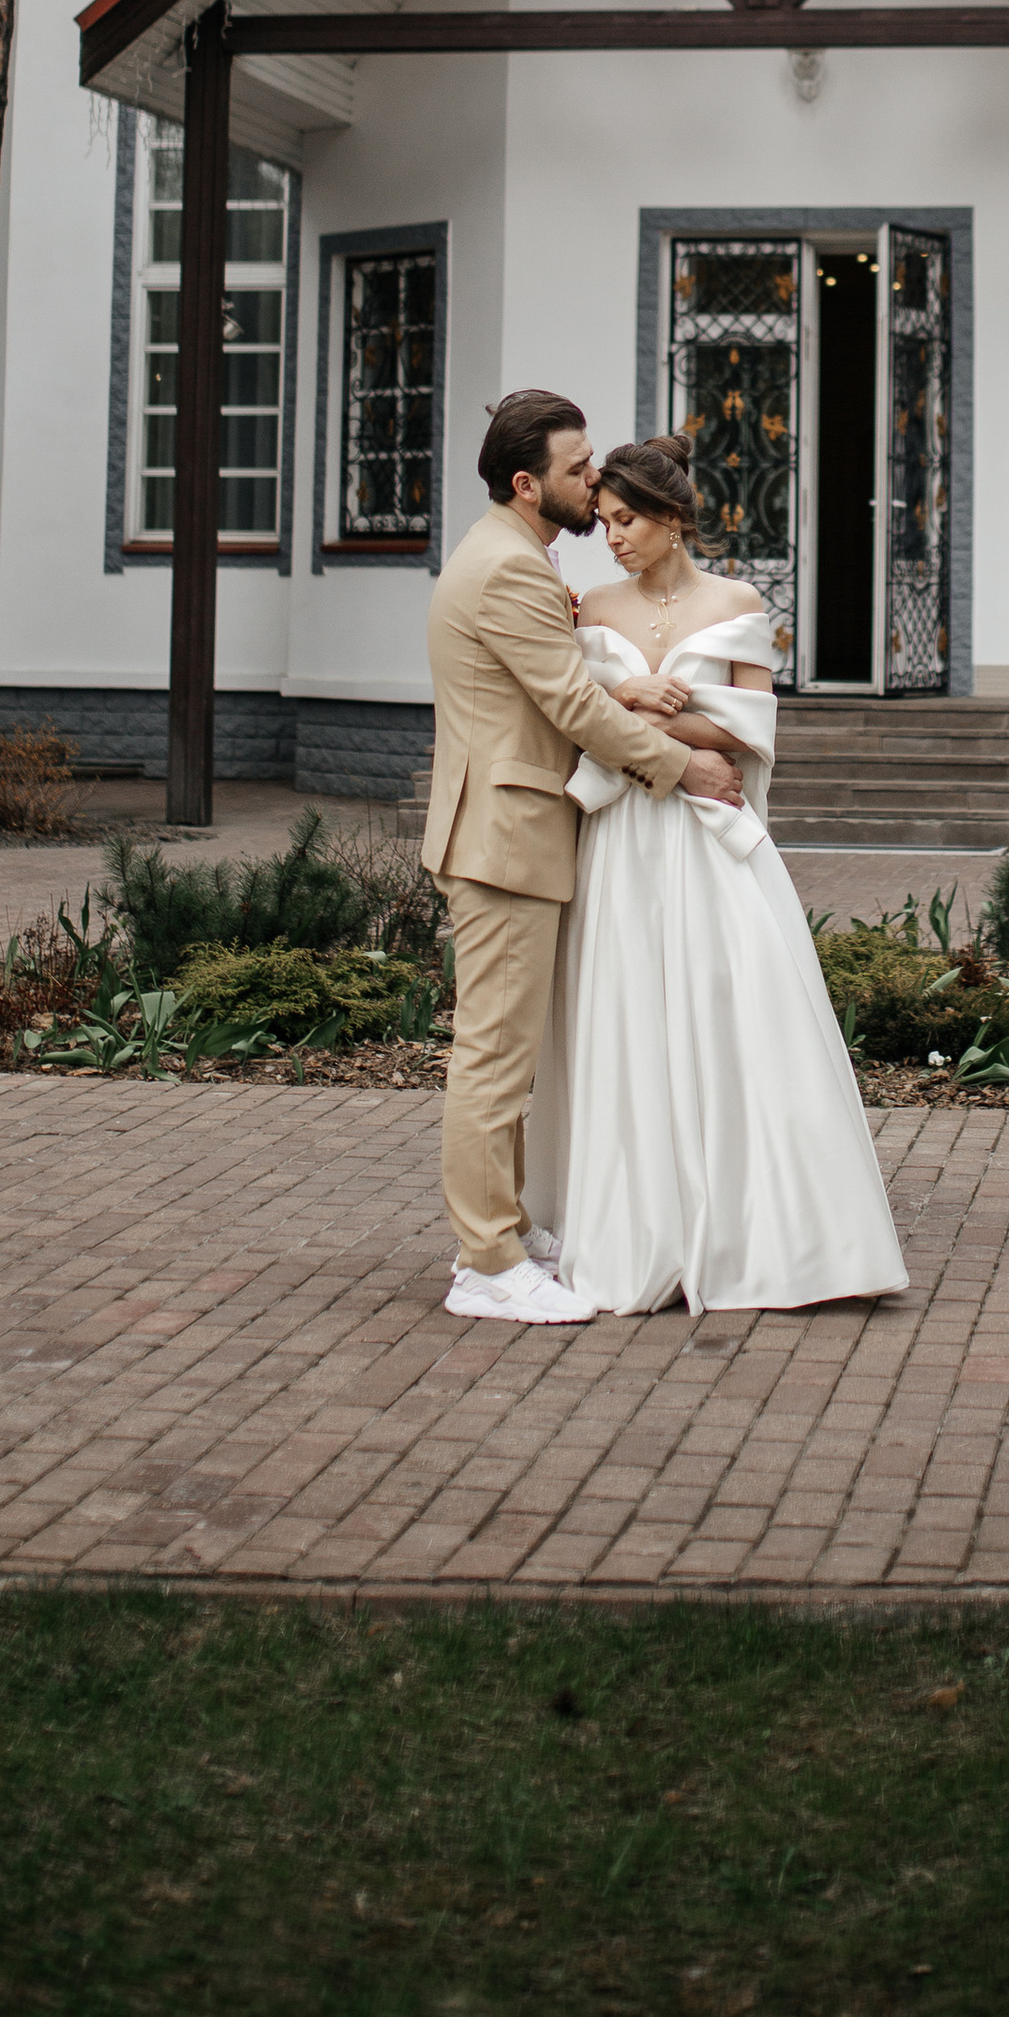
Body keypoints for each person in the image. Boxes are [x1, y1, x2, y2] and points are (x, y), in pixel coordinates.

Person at [524, 433, 908, 1317]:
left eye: (626, 520)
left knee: (739, 1006)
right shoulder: (593, 608)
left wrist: (659, 715)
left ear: (671, 518)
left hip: (709, 838)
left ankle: (764, 1231)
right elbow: (576, 721)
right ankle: (639, 1226)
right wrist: (633, 702)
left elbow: (750, 731)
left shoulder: (738, 599)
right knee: (627, 1016)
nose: (611, 535)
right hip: (623, 843)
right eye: (605, 520)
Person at [424, 389, 749, 1326]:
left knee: (511, 1054)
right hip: (503, 838)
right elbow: (573, 709)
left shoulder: (506, 557)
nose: (593, 480)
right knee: (493, 1058)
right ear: (528, 484)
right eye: (577, 470)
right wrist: (682, 765)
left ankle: (511, 1232)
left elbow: (554, 688)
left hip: (506, 830)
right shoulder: (510, 572)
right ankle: (486, 1263)